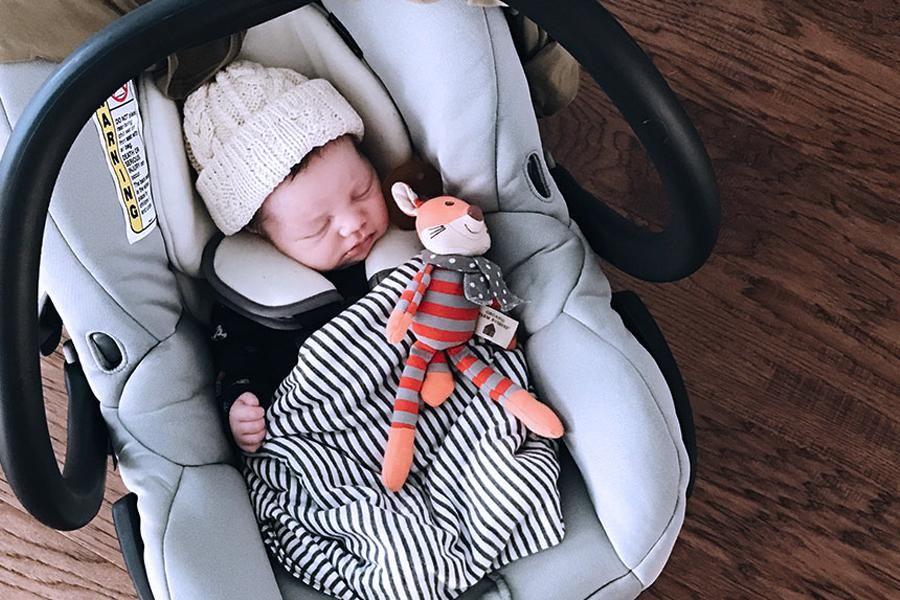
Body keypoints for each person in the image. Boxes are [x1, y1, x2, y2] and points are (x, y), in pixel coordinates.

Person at [182, 60, 391, 452]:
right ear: (261, 235)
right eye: (318, 226)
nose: (353, 223)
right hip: (335, 433)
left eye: (363, 190)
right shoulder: (255, 301)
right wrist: (239, 404)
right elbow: (236, 362)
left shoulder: (411, 225)